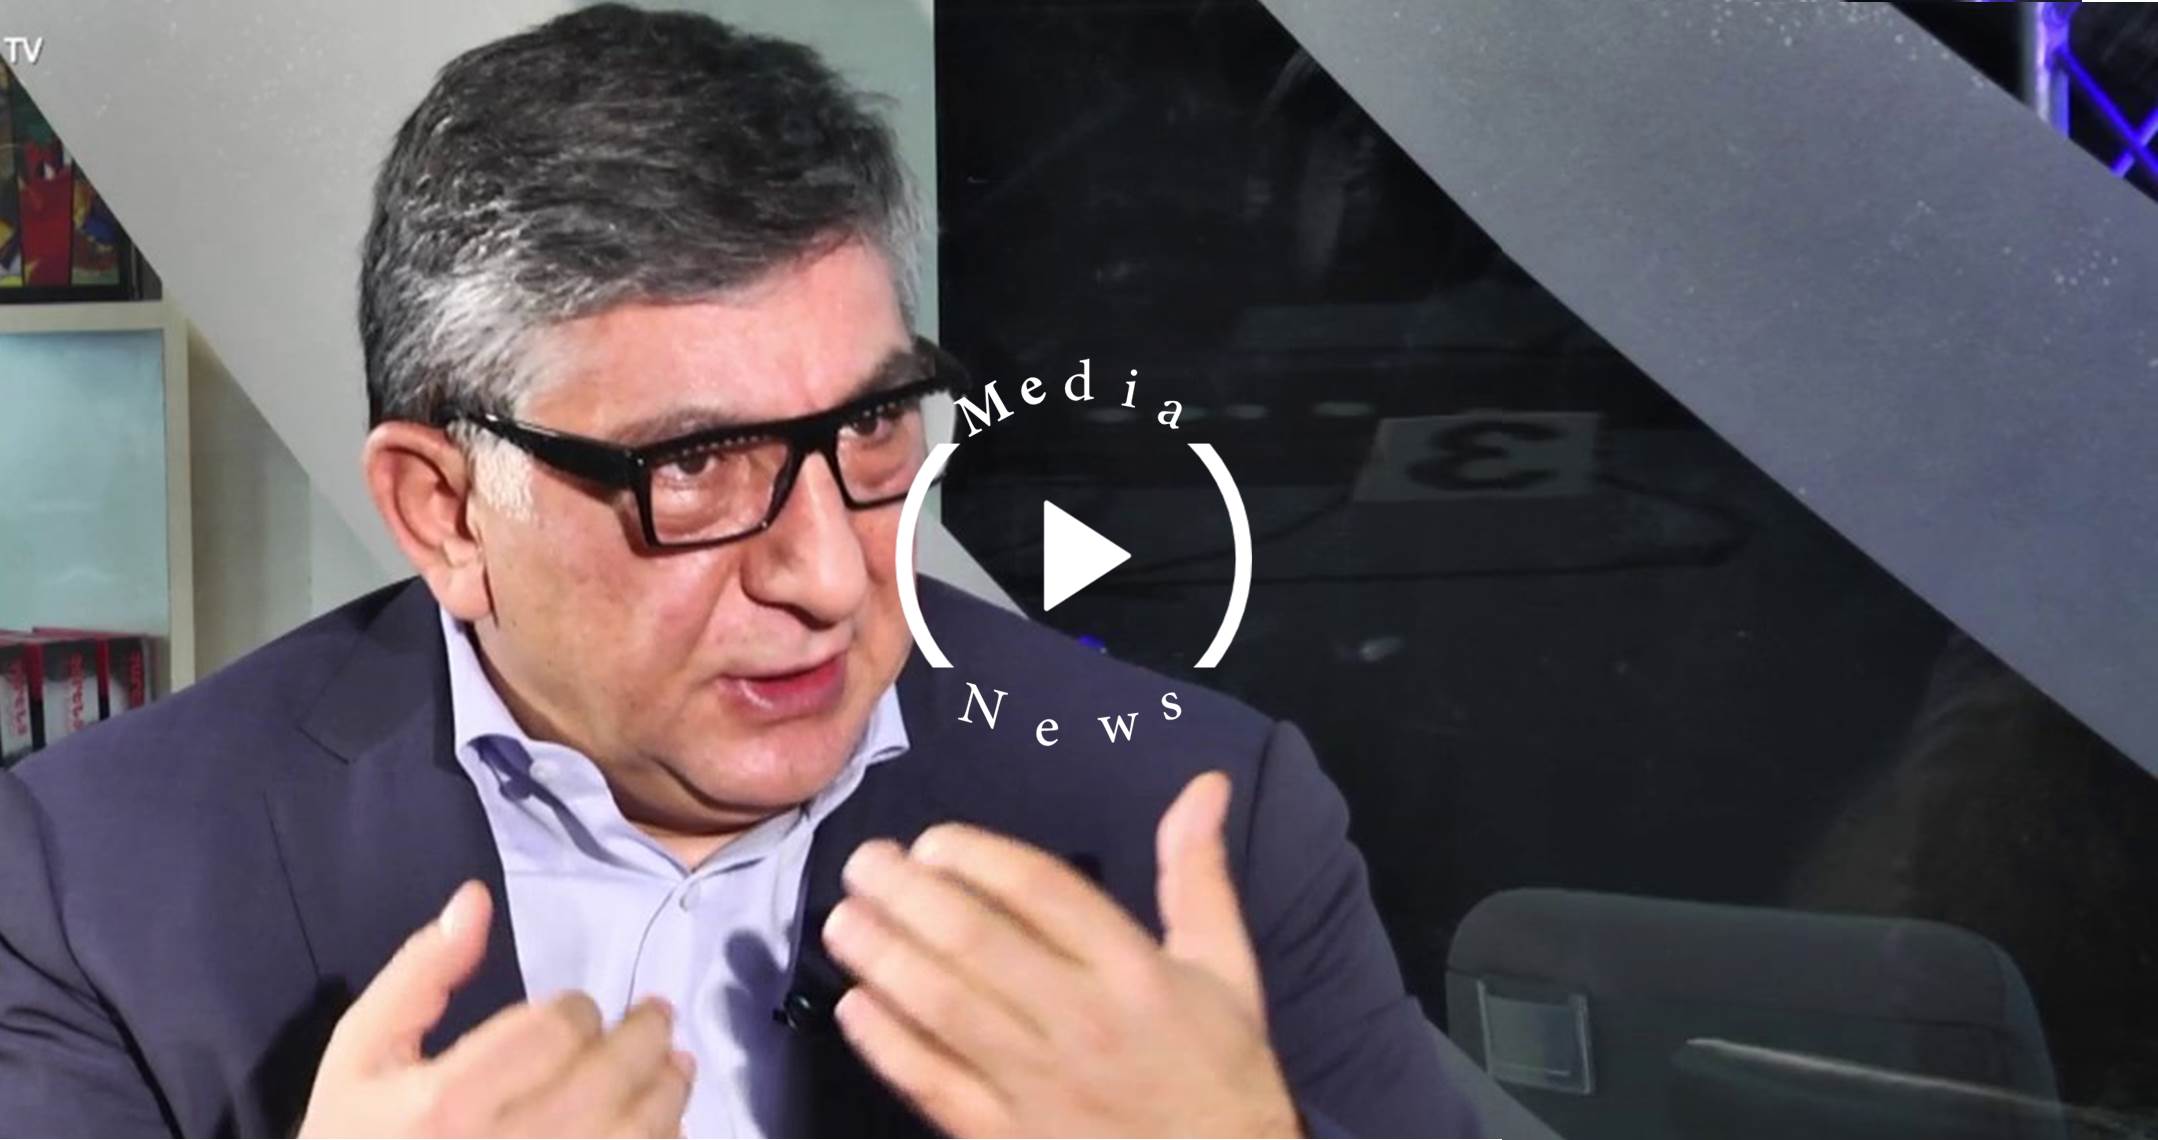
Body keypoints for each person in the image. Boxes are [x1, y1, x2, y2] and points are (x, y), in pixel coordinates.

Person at [0, 6, 1474, 1136]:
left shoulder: (1201, 821)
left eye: (874, 425)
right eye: (696, 465)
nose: (829, 574)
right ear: (443, 511)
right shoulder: (90, 882)